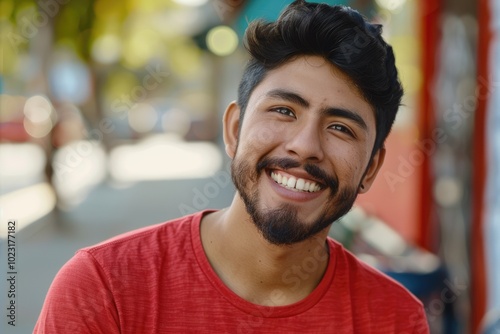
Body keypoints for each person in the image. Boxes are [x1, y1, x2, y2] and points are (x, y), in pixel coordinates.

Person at [34, 1, 429, 333]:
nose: (305, 146)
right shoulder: (103, 290)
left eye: (340, 128)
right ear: (234, 129)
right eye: (283, 110)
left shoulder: (394, 319)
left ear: (372, 167)